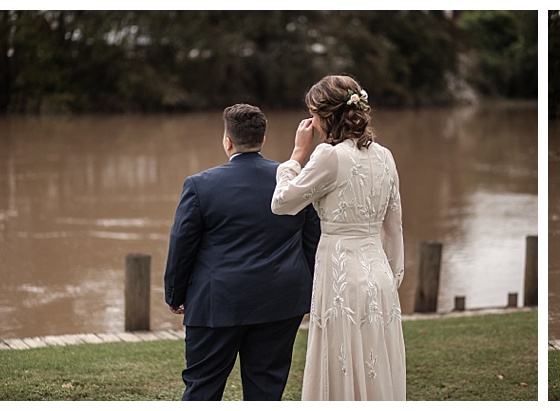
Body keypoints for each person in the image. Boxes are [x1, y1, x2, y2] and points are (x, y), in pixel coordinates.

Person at [164, 103, 321, 400]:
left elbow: (182, 246)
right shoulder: (295, 182)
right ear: (263, 139)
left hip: (217, 303)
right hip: (281, 302)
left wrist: (175, 294)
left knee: (202, 387)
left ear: (227, 141)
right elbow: (313, 240)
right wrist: (310, 292)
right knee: (266, 390)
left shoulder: (200, 185)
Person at [270, 74, 407, 400]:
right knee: (377, 359)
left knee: (343, 359)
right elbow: (394, 225)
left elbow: (282, 203)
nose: (311, 121)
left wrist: (295, 155)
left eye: (313, 113)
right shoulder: (385, 156)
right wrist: (393, 273)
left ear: (326, 116)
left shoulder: (329, 156)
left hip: (341, 275)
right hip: (380, 276)